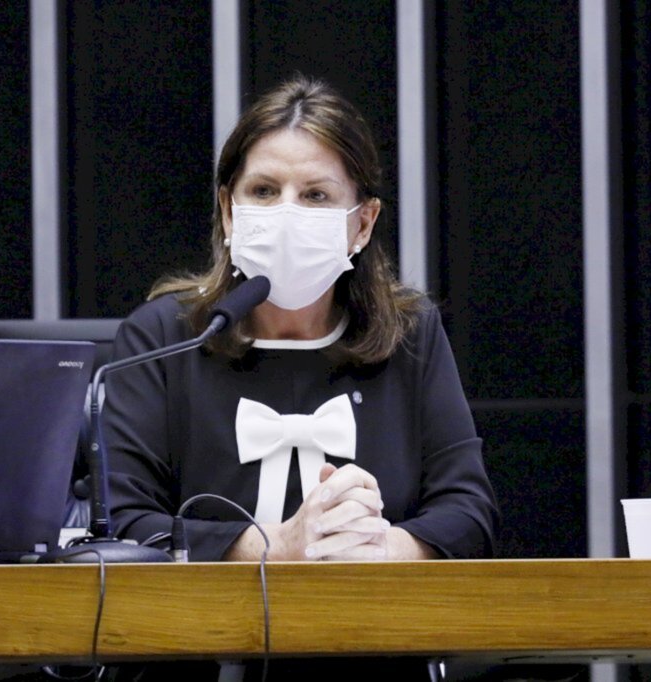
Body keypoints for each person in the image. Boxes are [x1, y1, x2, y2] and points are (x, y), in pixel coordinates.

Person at [102, 75, 499, 679]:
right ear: (229, 210)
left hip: (369, 660)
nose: (286, 211)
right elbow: (123, 524)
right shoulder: (163, 337)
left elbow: (469, 512)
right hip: (188, 659)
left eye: (315, 196)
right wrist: (272, 551)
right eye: (264, 190)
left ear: (362, 224)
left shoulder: (412, 337)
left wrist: (380, 548)